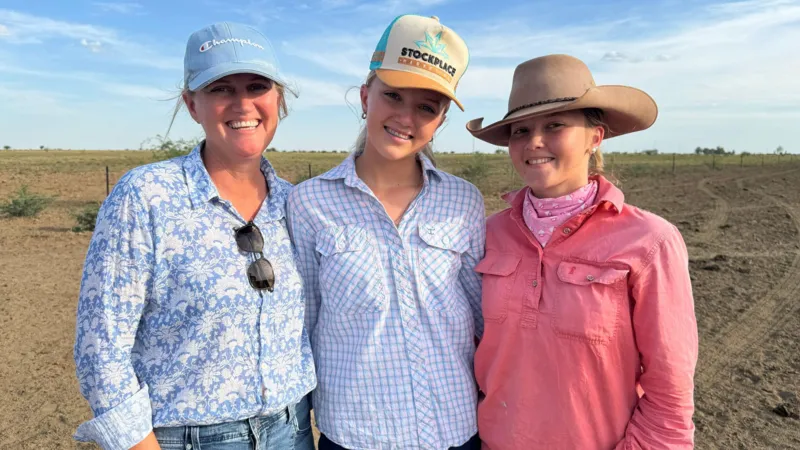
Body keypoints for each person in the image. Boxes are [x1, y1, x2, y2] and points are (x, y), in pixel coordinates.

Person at [73, 22, 315, 450]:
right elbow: (100, 347)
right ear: (191, 104)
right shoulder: (146, 196)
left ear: (278, 99)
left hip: (291, 430)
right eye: (221, 89)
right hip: (188, 439)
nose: (243, 103)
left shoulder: (295, 204)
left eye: (257, 86)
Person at [467, 54, 698, 449]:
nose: (534, 142)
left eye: (554, 125)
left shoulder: (650, 241)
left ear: (596, 137)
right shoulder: (488, 234)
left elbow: (670, 396)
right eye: (520, 130)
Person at [286, 14, 484, 450]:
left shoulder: (464, 201)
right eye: (392, 95)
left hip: (456, 429)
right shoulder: (308, 204)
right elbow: (305, 322)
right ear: (364, 96)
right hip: (356, 434)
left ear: (441, 119)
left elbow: (484, 318)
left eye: (426, 107)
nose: (405, 117)